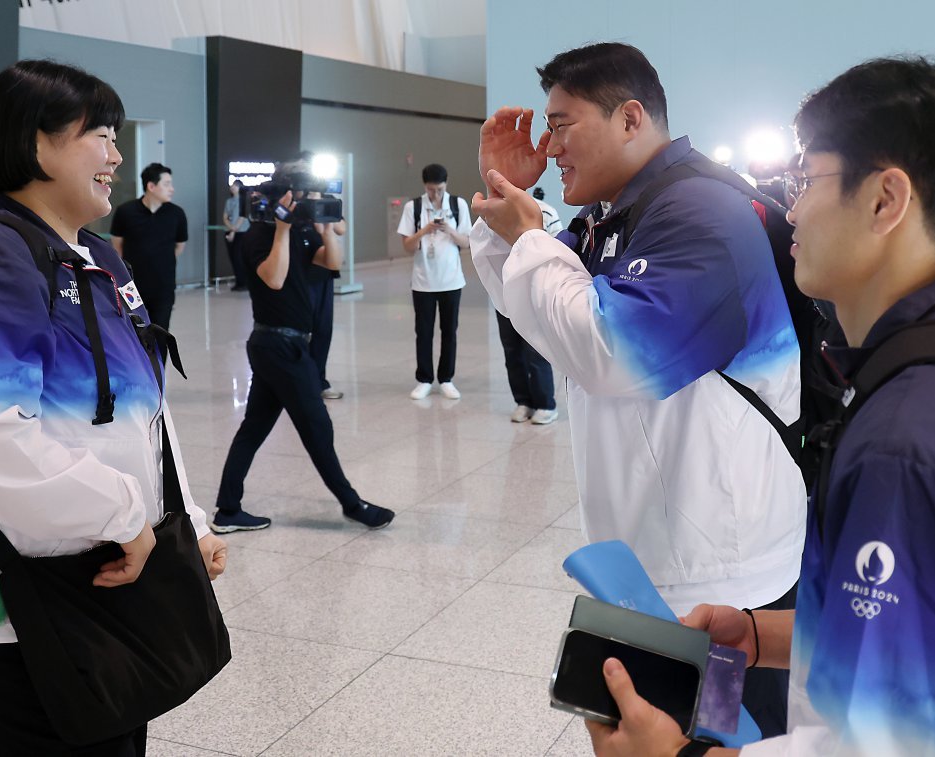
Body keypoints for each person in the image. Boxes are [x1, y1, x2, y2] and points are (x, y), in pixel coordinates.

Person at [585, 55, 935, 757]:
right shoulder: (915, 374)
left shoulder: (901, 447)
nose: (792, 205)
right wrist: (762, 635)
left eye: (808, 178)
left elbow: (902, 745)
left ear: (886, 199)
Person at [0, 60, 227, 756]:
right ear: (38, 143)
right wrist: (122, 513)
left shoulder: (96, 258)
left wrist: (183, 521)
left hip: (100, 601)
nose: (117, 154)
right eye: (100, 134)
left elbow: (144, 413)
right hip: (9, 622)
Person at [472, 42, 804, 737]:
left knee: (718, 740)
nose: (550, 144)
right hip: (656, 550)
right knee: (649, 736)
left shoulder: (699, 210)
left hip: (717, 567)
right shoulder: (619, 212)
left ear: (629, 118)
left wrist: (533, 236)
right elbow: (540, 311)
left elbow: (613, 353)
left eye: (562, 124)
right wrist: (510, 207)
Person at [211, 159, 394, 534]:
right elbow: (274, 280)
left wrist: (326, 228)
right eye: (306, 196)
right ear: (287, 196)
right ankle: (352, 503)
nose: (311, 202)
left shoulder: (304, 230)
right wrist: (281, 229)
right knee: (317, 428)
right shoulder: (259, 234)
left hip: (289, 346)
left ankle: (228, 510)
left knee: (254, 428)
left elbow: (331, 263)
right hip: (276, 345)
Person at [397, 163, 472, 400]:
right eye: (431, 190)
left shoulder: (458, 205)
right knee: (424, 332)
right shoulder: (414, 207)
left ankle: (447, 379)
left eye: (439, 189)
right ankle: (424, 379)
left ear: (446, 184)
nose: (435, 195)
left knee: (449, 331)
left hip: (451, 281)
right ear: (424, 186)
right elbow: (407, 246)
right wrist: (424, 230)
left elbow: (466, 242)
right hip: (423, 282)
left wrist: (449, 230)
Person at [498, 188, 562, 425]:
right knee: (512, 351)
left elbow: (558, 250)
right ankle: (522, 401)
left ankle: (545, 404)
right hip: (505, 293)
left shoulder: (545, 210)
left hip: (535, 294)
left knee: (536, 349)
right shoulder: (494, 212)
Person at [110, 162, 188, 331]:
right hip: (132, 287)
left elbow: (179, 247)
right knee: (133, 333)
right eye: (166, 184)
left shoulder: (177, 214)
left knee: (161, 333)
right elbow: (117, 246)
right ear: (151, 186)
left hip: (164, 286)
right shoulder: (126, 211)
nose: (172, 189)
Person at [307, 190, 345, 400]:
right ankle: (300, 381)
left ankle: (319, 381)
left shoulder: (328, 200)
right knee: (300, 331)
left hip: (323, 273)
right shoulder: (293, 201)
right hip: (299, 273)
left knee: (323, 329)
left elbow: (342, 228)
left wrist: (319, 208)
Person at [222, 179, 249, 291]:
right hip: (230, 230)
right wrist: (230, 228)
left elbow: (242, 217)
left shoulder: (244, 200)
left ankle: (244, 282)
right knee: (233, 257)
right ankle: (238, 281)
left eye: (235, 186)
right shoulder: (229, 201)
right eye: (232, 186)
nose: (232, 187)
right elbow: (225, 216)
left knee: (239, 257)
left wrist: (234, 230)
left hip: (241, 232)